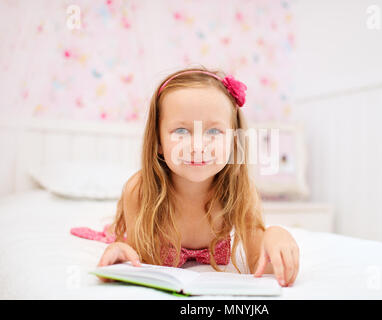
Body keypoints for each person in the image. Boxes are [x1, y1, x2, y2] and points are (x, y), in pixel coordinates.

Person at [97, 67, 299, 287]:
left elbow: (259, 266)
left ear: (233, 141)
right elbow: (137, 257)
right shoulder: (140, 190)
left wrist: (275, 236)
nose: (198, 146)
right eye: (181, 131)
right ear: (159, 142)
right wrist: (120, 251)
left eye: (214, 132)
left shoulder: (240, 192)